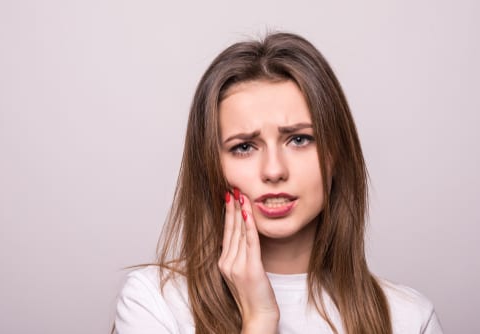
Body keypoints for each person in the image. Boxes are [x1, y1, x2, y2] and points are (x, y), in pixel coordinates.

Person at [113, 32, 443, 333]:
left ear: (336, 154)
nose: (274, 171)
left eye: (299, 140)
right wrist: (259, 318)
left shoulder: (409, 318)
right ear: (211, 166)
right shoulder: (154, 303)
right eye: (244, 147)